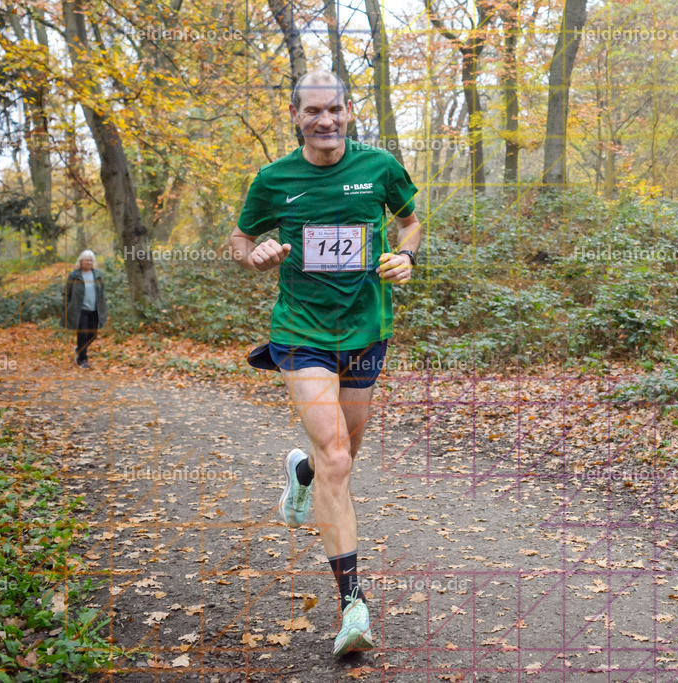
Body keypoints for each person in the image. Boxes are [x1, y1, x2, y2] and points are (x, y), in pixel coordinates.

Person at [229, 70, 421, 656]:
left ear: (348, 110)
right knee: (336, 453)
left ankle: (302, 477)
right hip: (301, 335)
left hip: (366, 333)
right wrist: (255, 254)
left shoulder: (379, 168)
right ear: (295, 115)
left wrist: (405, 255)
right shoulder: (274, 179)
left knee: (340, 460)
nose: (325, 121)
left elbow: (409, 220)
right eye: (313, 111)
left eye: (334, 110)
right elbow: (239, 240)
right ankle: (352, 606)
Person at [64, 249, 107, 369]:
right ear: (81, 261)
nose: (88, 262)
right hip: (80, 310)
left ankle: (79, 349)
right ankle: (83, 359)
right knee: (82, 334)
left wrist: (104, 305)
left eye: (91, 260)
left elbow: (102, 292)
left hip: (95, 309)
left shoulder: (97, 274)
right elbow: (66, 293)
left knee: (92, 335)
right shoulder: (74, 275)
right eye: (86, 260)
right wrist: (67, 307)